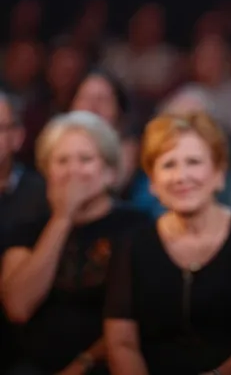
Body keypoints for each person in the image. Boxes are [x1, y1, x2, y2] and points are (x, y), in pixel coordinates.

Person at [104, 112, 231, 375]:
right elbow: (122, 342)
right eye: (168, 165)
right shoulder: (130, 245)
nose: (181, 176)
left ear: (218, 173)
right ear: (152, 182)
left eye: (193, 162)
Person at [1, 111, 147, 375]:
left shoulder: (138, 227)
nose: (73, 170)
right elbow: (18, 307)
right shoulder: (27, 230)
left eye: (86, 159)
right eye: (62, 161)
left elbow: (144, 316)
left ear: (110, 172)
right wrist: (63, 217)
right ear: (47, 172)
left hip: (108, 363)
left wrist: (83, 364)